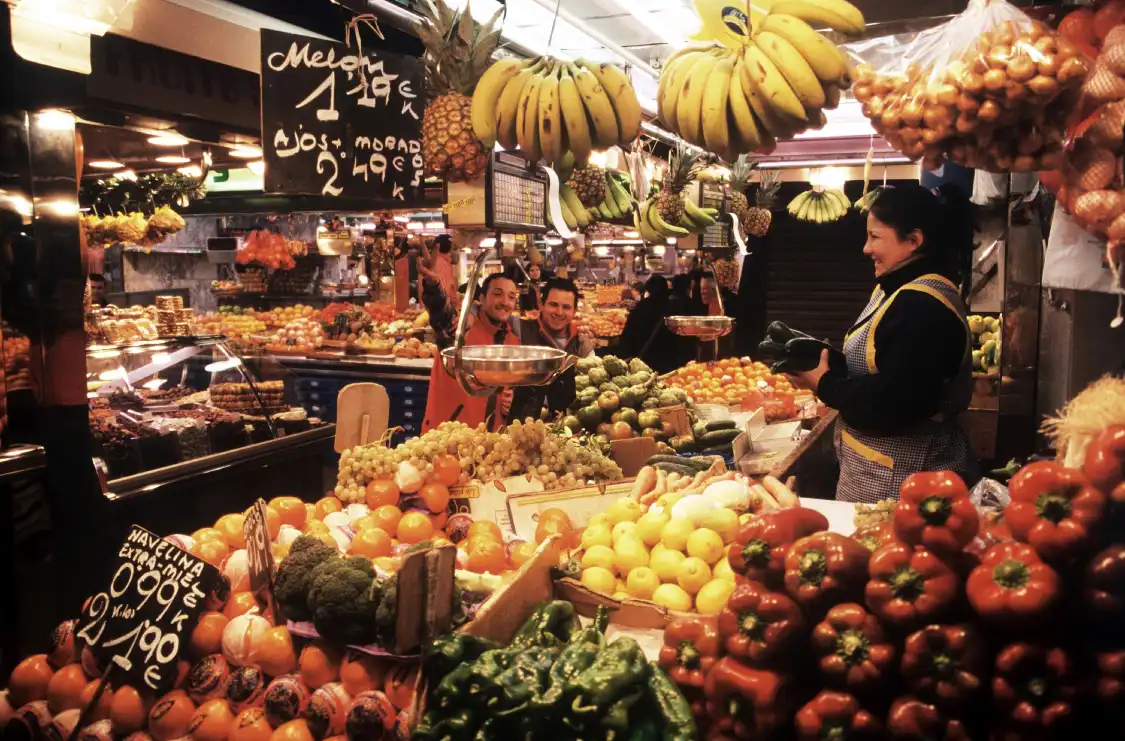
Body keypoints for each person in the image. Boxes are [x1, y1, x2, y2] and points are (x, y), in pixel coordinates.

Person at [789, 184, 977, 503]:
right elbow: (881, 366)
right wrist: (823, 363)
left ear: (914, 240)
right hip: (877, 470)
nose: (866, 248)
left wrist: (825, 384)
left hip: (906, 477)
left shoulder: (922, 306)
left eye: (874, 237)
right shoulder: (894, 288)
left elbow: (895, 402)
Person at [418, 246, 519, 432]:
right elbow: (442, 315)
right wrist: (433, 286)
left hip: (489, 440)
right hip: (447, 436)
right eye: (498, 294)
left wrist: (508, 402)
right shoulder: (462, 326)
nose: (505, 302)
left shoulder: (513, 341)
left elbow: (505, 390)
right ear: (482, 298)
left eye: (511, 297)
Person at [510, 277, 595, 421]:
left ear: (574, 311)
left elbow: (592, 387)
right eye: (553, 305)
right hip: (522, 423)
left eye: (566, 307)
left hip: (567, 426)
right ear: (541, 305)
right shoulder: (519, 329)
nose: (559, 312)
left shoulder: (582, 344)